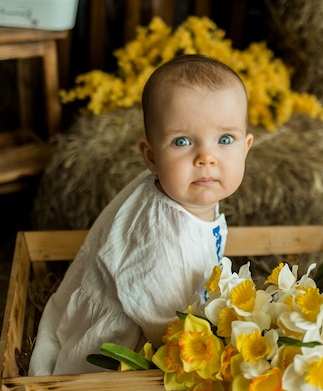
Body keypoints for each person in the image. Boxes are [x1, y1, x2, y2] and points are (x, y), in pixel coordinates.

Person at [28, 54, 254, 376]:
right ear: (151, 156)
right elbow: (167, 330)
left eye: (225, 139)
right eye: (182, 141)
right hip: (120, 351)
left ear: (246, 147)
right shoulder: (161, 240)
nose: (206, 157)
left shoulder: (185, 194)